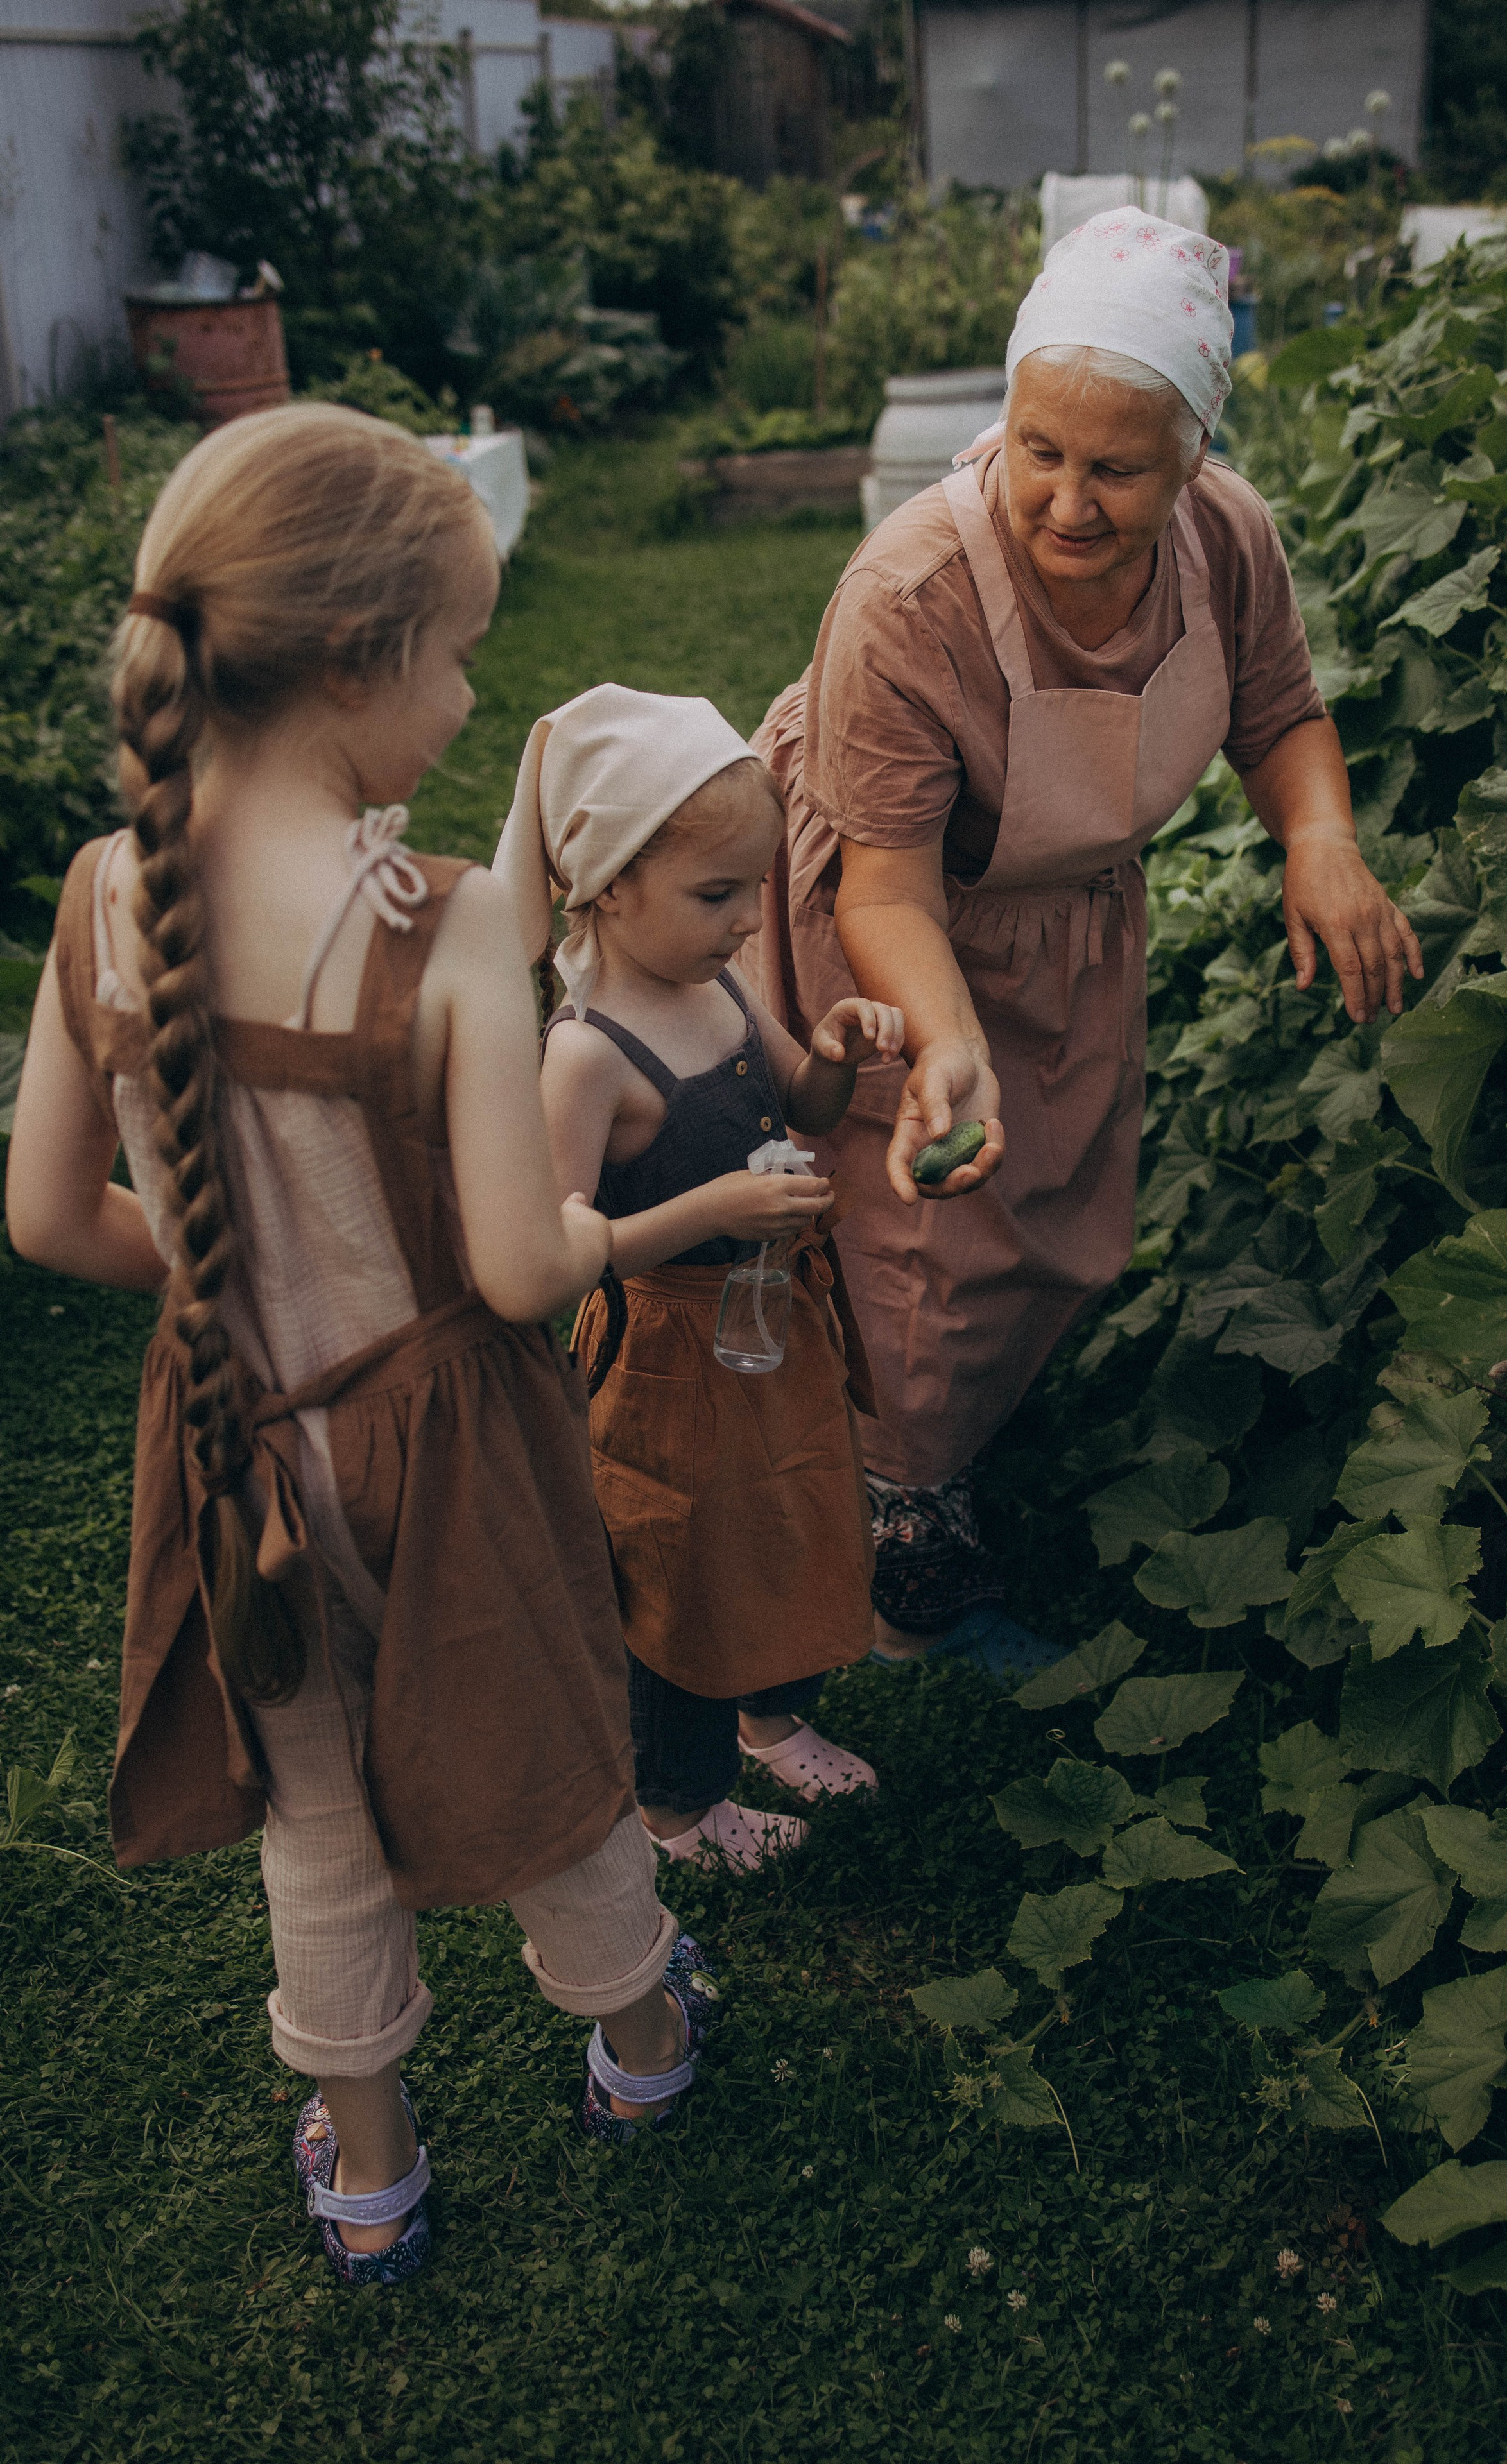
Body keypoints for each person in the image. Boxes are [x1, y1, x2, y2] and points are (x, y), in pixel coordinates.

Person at [4, 406, 718, 2290]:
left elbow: (50, 1220)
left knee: (311, 1813)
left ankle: (374, 2178)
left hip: (239, 1446)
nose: (476, 698)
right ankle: (642, 2048)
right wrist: (597, 1227)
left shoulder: (103, 895)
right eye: (463, 650)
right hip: (449, 1452)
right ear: (354, 658)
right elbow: (510, 1274)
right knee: (551, 1747)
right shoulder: (458, 925)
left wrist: (234, 1284)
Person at [741, 205, 1423, 1673]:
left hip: (1066, 917)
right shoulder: (907, 595)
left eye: (1114, 466)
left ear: (1193, 455)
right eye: (1038, 449)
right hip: (892, 925)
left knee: (1042, 1201)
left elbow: (1278, 715)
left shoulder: (1225, 540)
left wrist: (1319, 841)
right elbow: (883, 889)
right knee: (907, 1222)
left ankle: (951, 1440)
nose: (1064, 500)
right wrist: (946, 1035)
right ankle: (900, 1548)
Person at [494, 685, 899, 1870]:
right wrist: (712, 1209)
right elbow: (559, 1249)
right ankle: (678, 1805)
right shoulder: (584, 1058)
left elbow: (807, 1102)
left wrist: (831, 1052)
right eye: (714, 894)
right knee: (680, 1565)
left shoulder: (722, 988)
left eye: (749, 892)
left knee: (790, 1520)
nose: (740, 922)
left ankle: (771, 1719)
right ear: (608, 883)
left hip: (769, 1327)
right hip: (665, 1356)